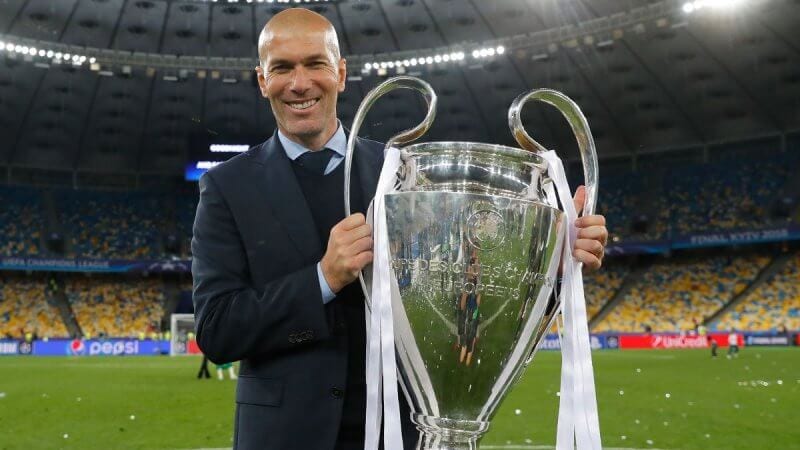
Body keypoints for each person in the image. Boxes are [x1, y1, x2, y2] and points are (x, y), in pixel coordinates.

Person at [191, 8, 609, 450]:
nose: (299, 83)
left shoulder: (406, 176)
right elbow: (218, 331)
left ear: (340, 73)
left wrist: (549, 262)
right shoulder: (226, 187)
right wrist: (323, 279)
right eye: (281, 68)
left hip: (398, 432)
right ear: (262, 80)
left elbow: (464, 301)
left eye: (315, 64)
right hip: (282, 437)